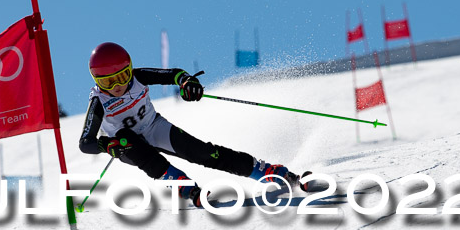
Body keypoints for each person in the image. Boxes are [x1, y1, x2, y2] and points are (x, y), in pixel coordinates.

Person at [79, 42, 307, 207]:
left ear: (130, 69)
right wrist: (107, 146)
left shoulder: (139, 77)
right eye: (107, 81)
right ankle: (188, 189)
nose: (117, 85)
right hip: (127, 145)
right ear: (96, 81)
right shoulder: (99, 101)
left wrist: (188, 82)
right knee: (134, 145)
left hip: (153, 127)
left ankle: (269, 172)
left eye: (122, 76)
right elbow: (85, 143)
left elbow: (175, 74)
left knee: (202, 152)